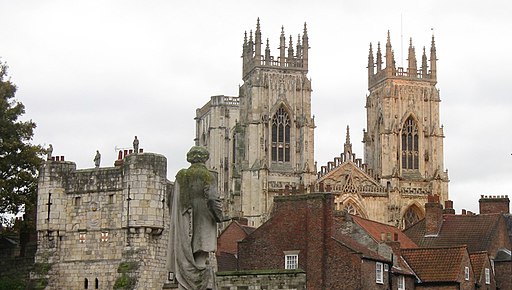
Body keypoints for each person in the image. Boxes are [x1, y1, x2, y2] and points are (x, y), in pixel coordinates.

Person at [169, 146, 229, 290]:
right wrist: (219, 217)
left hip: (184, 221)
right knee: (201, 255)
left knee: (188, 253)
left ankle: (186, 283)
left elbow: (172, 200)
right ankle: (198, 283)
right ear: (205, 158)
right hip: (203, 220)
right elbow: (213, 200)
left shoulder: (180, 176)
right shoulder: (208, 176)